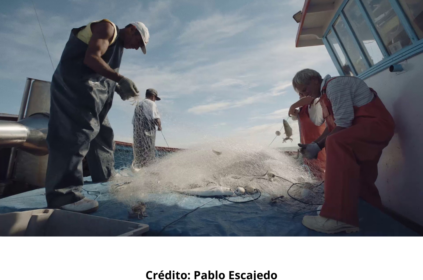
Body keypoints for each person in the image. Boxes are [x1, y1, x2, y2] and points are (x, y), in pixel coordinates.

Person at [46, 19, 150, 214]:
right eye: (139, 42)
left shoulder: (118, 47)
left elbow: (101, 70)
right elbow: (91, 58)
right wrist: (119, 79)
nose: (137, 48)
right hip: (75, 90)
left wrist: (116, 86)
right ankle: (63, 196)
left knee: (104, 136)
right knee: (74, 137)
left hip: (95, 99)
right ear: (131, 29)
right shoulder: (107, 28)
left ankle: (105, 177)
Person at [289, 69, 395, 234]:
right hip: (363, 131)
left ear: (314, 80)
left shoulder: (335, 86)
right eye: (300, 94)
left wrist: (318, 147)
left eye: (304, 90)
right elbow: (331, 128)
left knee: (336, 142)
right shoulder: (324, 99)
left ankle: (337, 217)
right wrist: (315, 145)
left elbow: (343, 125)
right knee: (361, 174)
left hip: (376, 126)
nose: (303, 95)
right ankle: (368, 213)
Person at [132, 89, 162, 171]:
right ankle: (148, 171)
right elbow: (156, 118)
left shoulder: (138, 104)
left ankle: (139, 169)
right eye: (155, 98)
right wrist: (159, 127)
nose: (155, 100)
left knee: (140, 151)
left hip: (137, 132)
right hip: (148, 131)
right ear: (153, 96)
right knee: (149, 151)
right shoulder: (152, 103)